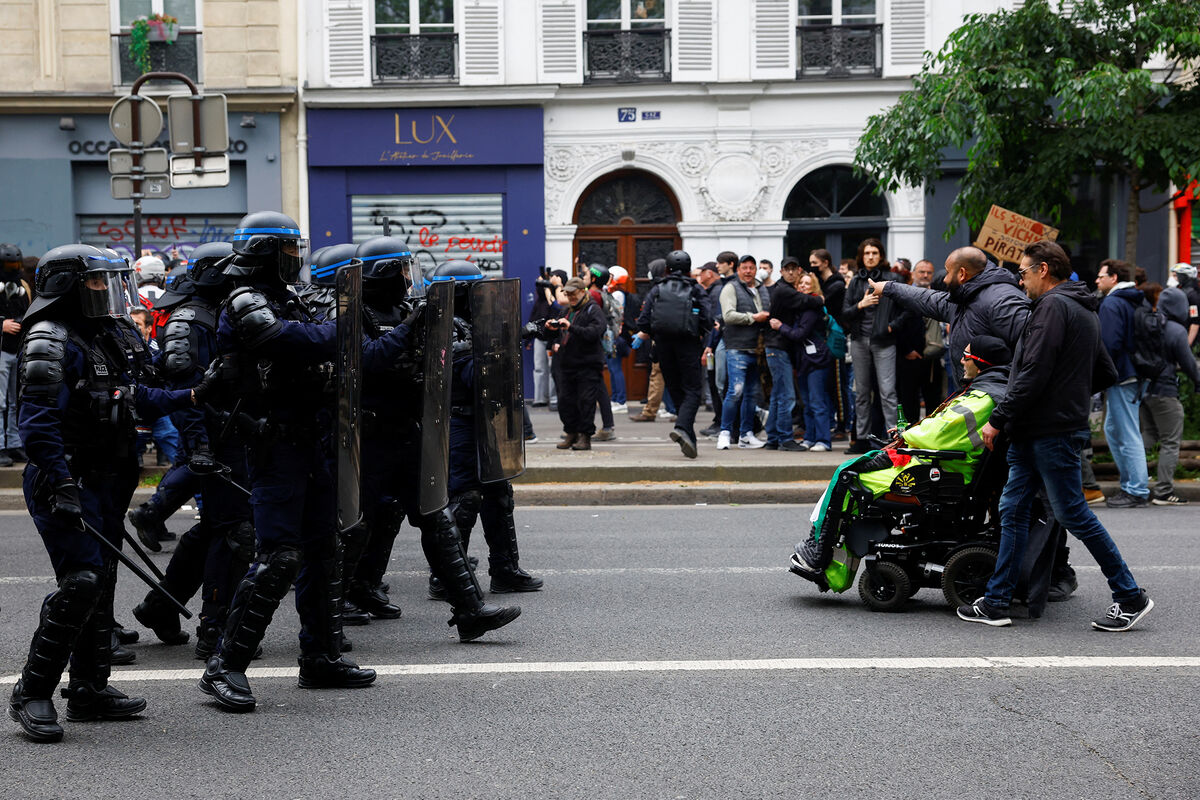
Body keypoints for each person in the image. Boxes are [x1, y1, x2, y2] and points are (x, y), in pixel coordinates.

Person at [197, 212, 422, 712]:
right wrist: (346, 326)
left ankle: (319, 658)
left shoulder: (290, 298)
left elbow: (361, 354)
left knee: (325, 551)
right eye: (290, 249)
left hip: (311, 439)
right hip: (273, 446)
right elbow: (289, 341)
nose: (297, 258)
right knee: (278, 556)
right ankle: (224, 666)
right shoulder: (245, 300)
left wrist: (409, 328)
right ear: (265, 251)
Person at [9, 244, 208, 742]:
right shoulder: (49, 339)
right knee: (80, 582)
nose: (107, 291)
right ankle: (32, 692)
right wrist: (61, 482)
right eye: (97, 282)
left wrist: (196, 392)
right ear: (68, 286)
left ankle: (90, 691)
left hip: (110, 477)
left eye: (109, 281)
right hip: (67, 477)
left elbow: (141, 395)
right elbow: (37, 426)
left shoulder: (115, 334)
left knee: (103, 581)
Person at [962, 240, 1153, 631]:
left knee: (1073, 514)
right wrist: (1069, 392)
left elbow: (1032, 372)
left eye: (1023, 272)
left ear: (1043, 270)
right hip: (1039, 429)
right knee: (1012, 509)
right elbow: (1105, 372)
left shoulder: (1051, 307)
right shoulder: (1081, 308)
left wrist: (998, 419)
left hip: (1048, 431)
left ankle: (1130, 595)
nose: (1021, 280)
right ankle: (997, 601)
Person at [792, 335, 1012, 581]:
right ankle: (821, 551)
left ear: (981, 362)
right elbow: (944, 429)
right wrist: (910, 432)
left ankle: (819, 554)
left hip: (941, 472)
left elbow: (940, 434)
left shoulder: (983, 398)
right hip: (937, 466)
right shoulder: (986, 391)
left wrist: (908, 434)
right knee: (849, 469)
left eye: (967, 356)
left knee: (847, 477)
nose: (961, 360)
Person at [128, 242, 258, 659]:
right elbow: (183, 391)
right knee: (234, 531)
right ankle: (215, 630)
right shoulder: (188, 320)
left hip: (236, 434)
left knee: (217, 529)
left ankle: (160, 606)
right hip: (213, 440)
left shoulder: (224, 311)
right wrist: (200, 446)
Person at [871, 246, 1029, 387]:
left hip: (994, 402)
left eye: (948, 272)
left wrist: (1006, 399)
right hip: (977, 397)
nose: (945, 279)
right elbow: (928, 299)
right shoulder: (965, 297)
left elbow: (1033, 349)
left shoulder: (1001, 300)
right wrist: (888, 287)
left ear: (962, 273)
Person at [633, 250, 712, 458]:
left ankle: (688, 438)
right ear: (688, 269)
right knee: (693, 391)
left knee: (676, 390)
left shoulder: (657, 289)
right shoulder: (695, 288)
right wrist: (700, 330)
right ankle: (682, 427)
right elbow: (707, 317)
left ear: (667, 268)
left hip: (663, 347)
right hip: (688, 345)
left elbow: (643, 321)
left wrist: (653, 333)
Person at [842, 238, 911, 452]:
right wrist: (861, 304)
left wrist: (892, 326)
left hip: (884, 341)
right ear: (861, 257)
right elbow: (844, 313)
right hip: (859, 340)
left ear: (881, 255)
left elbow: (908, 308)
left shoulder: (892, 279)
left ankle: (894, 438)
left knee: (887, 392)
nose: (871, 256)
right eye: (867, 253)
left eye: (874, 252)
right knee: (861, 392)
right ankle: (861, 439)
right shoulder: (855, 282)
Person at [1095, 259, 1151, 508]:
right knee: (1115, 430)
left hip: (1121, 376)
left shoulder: (1112, 303)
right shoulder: (1135, 300)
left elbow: (1109, 344)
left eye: (1101, 276)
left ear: (1114, 278)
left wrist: (1100, 373)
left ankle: (1136, 489)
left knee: (1126, 433)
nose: (1097, 280)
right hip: (1134, 373)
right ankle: (1131, 485)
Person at [1140, 286, 1200, 505]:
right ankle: (1164, 491)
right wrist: (1198, 381)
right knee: (1171, 442)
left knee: (1147, 436)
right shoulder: (1176, 330)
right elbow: (1188, 363)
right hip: (1165, 391)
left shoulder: (1148, 323)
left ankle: (1134, 480)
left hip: (1144, 390)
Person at [550, 276, 607, 451]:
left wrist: (571, 328)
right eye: (568, 294)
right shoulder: (566, 311)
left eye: (573, 294)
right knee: (565, 401)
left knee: (586, 401)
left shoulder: (593, 310)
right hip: (567, 365)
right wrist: (551, 331)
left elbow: (595, 332)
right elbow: (560, 334)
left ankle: (584, 437)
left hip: (588, 364)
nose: (571, 297)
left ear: (583, 292)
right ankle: (571, 433)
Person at [0, 242, 29, 467]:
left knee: (14, 401)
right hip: (2, 350)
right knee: (1, 402)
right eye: (9, 264)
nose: (14, 268)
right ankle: (1, 446)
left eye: (16, 264)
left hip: (16, 348)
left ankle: (13, 443)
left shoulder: (22, 286)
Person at [606, 265, 630, 414]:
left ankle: (620, 400)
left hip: (614, 335)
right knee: (612, 368)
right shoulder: (616, 294)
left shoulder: (617, 295)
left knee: (615, 368)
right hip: (612, 334)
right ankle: (616, 398)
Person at [1168, 262, 1200, 345]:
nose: (1172, 278)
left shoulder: (1192, 295)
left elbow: (1195, 322)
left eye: (1175, 276)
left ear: (1183, 277)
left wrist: (1188, 343)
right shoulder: (1181, 291)